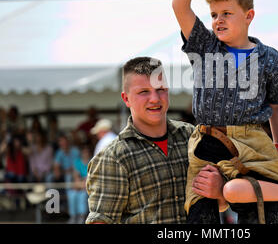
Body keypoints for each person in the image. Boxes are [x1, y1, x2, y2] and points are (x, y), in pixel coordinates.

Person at [172, 0, 278, 224]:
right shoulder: (205, 47)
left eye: (227, 13)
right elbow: (180, 7)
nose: (218, 20)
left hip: (254, 143)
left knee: (270, 213)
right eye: (214, 14)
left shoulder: (269, 57)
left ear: (249, 15)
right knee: (200, 214)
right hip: (208, 140)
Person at [85, 57, 223, 224]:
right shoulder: (114, 157)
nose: (155, 98)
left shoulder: (193, 137)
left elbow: (220, 204)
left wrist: (220, 190)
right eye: (144, 92)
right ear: (126, 99)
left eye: (161, 89)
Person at [67, 144, 92, 224]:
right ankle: (73, 217)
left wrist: (83, 182)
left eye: (86, 152)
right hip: (79, 185)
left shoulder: (92, 161)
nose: (85, 153)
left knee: (82, 195)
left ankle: (81, 217)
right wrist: (79, 182)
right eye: (83, 152)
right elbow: (76, 176)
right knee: (72, 194)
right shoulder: (77, 162)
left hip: (88, 186)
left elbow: (90, 177)